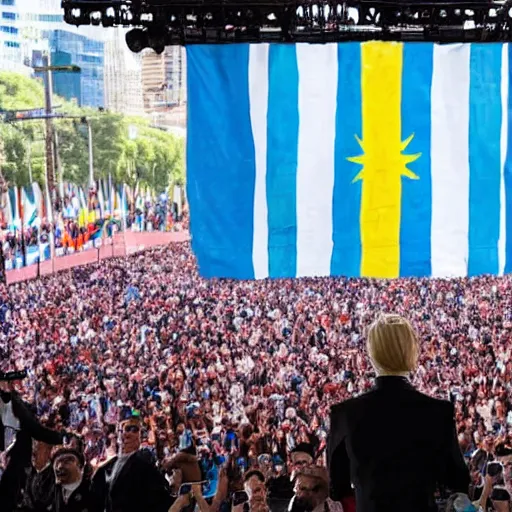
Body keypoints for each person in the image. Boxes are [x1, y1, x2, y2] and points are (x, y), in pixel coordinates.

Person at [327, 314, 470, 512]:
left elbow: (336, 488)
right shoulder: (438, 412)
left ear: (371, 353)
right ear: (412, 351)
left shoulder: (344, 414)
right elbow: (457, 480)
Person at [91, 413, 171, 512]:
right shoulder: (109, 466)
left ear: (140, 436)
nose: (128, 433)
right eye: (127, 430)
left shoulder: (145, 459)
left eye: (134, 430)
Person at [51, 447, 94, 512]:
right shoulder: (53, 491)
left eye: (67, 461)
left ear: (80, 466)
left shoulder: (92, 488)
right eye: (57, 463)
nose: (60, 466)